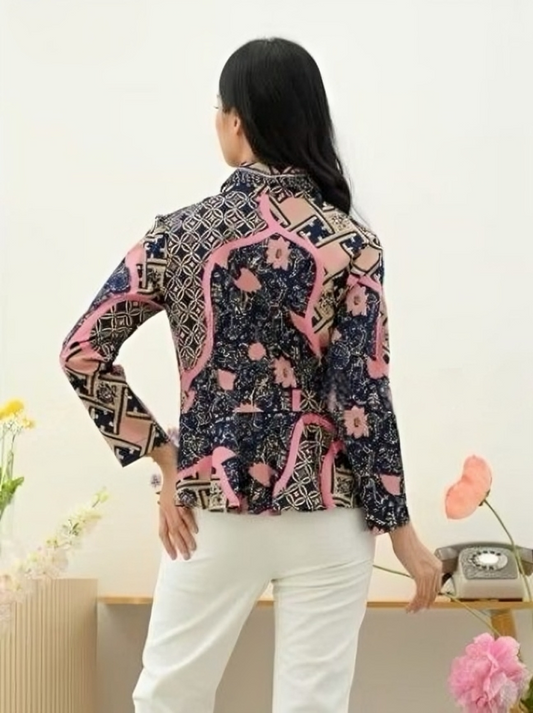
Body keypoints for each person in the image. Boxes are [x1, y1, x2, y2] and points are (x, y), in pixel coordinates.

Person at [60, 37, 442, 713]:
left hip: (213, 503)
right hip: (329, 512)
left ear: (236, 121)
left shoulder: (176, 235)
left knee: (170, 697)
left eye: (218, 107)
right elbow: (361, 393)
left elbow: (82, 351)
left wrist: (167, 457)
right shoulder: (351, 244)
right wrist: (402, 531)